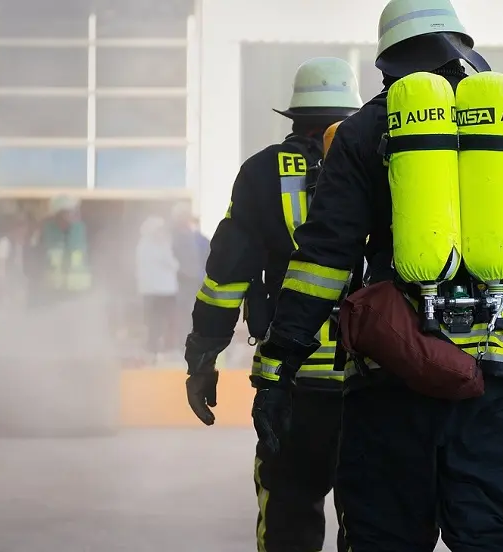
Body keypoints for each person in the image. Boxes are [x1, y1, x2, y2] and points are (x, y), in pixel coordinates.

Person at [247, 1, 503, 550]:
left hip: (393, 372)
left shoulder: (364, 131)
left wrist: (279, 368)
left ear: (387, 60)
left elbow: (324, 260)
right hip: (497, 374)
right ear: (462, 47)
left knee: (384, 540)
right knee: (493, 538)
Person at [183, 57, 362, 552]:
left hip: (291, 379)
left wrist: (203, 357)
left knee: (287, 517)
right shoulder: (383, 166)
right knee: (370, 523)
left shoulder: (260, 173)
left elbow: (225, 277)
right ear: (352, 112)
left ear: (295, 116)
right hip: (370, 378)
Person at [29, 195, 92, 306]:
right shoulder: (46, 230)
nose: (68, 216)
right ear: (56, 215)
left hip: (80, 294)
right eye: (64, 213)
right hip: (52, 293)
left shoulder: (82, 229)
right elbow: (35, 256)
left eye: (71, 212)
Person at [137, 216, 180, 362]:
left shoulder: (143, 246)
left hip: (152, 291)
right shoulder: (157, 246)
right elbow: (172, 264)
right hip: (163, 291)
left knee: (154, 322)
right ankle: (162, 350)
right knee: (165, 321)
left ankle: (154, 350)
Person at [170, 201, 203, 346]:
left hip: (193, 278)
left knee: (192, 312)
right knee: (183, 313)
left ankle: (191, 342)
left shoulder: (191, 235)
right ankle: (182, 344)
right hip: (182, 279)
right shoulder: (175, 235)